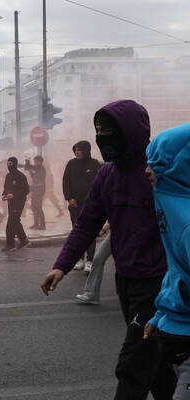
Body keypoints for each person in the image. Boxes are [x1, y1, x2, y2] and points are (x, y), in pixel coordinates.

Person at [40, 99, 176, 400]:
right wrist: (61, 266)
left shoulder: (160, 173)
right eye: (98, 131)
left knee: (133, 363)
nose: (102, 138)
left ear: (130, 131)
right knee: (157, 363)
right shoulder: (107, 175)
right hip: (125, 280)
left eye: (109, 131)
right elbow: (87, 224)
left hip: (158, 282)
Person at [144, 122, 190, 400]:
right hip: (175, 333)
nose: (147, 170)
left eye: (157, 162)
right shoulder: (172, 206)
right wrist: (162, 314)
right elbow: (178, 271)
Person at [62, 140, 101, 270]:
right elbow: (65, 181)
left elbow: (100, 183)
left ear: (86, 150)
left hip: (91, 205)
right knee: (77, 232)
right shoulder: (71, 164)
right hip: (75, 205)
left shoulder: (95, 164)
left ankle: (90, 260)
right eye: (75, 150)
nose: (77, 152)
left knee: (90, 232)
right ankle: (79, 259)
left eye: (79, 150)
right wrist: (69, 198)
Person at [76, 225, 111, 304]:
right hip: (116, 232)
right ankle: (91, 294)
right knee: (98, 259)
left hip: (130, 232)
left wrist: (103, 229)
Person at [1, 157, 30, 251]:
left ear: (15, 164)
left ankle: (10, 244)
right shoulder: (8, 176)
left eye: (10, 164)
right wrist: (4, 195)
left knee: (11, 222)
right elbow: (6, 187)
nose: (9, 166)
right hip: (10, 202)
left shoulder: (21, 176)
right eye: (8, 164)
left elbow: (26, 190)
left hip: (19, 202)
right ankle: (24, 240)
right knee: (16, 221)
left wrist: (14, 195)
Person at [23, 155, 46, 230]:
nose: (35, 163)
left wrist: (27, 161)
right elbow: (34, 177)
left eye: (37, 161)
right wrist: (30, 171)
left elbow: (38, 178)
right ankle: (36, 224)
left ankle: (42, 225)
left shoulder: (41, 169)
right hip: (35, 189)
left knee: (38, 207)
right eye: (35, 161)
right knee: (34, 207)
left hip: (39, 189)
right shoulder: (37, 168)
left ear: (41, 162)